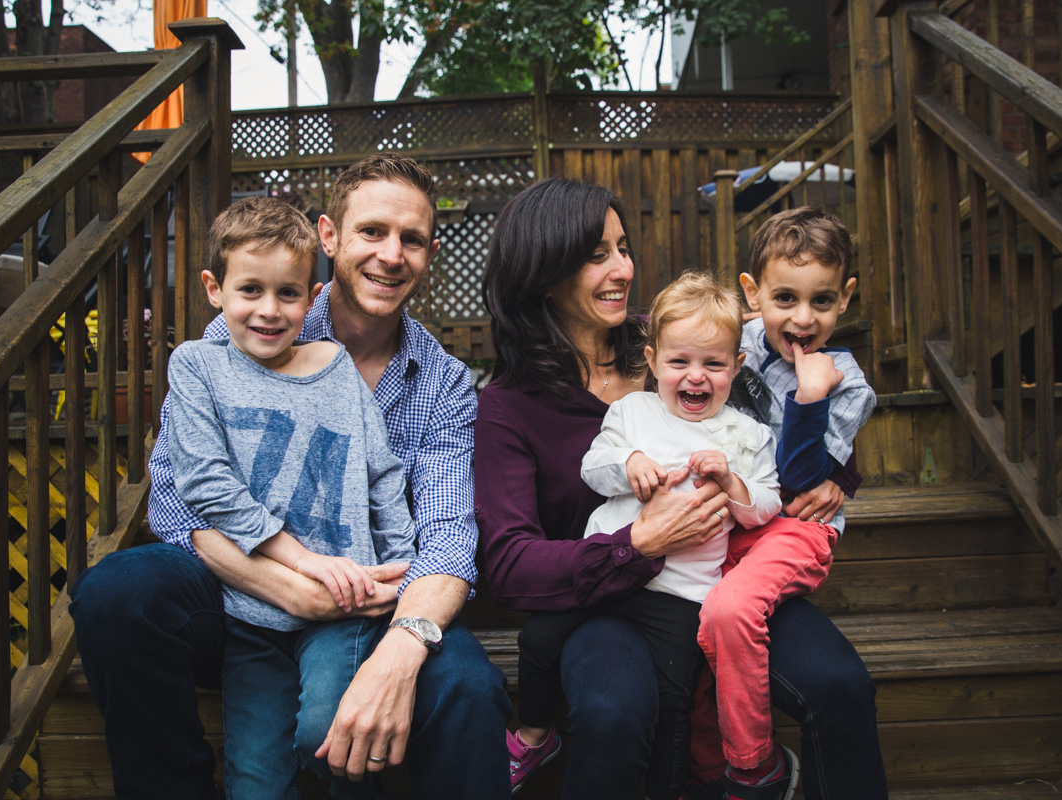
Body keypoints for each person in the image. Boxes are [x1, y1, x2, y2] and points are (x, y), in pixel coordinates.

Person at [69, 154, 512, 800]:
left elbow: (446, 539)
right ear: (329, 237)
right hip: (236, 599)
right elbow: (174, 497)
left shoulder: (440, 383)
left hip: (367, 602)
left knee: (468, 685)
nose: (392, 254)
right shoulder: (252, 325)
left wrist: (397, 648)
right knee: (117, 593)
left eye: (411, 239)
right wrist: (286, 585)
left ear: (430, 252)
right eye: (372, 232)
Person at [476, 178, 887, 800]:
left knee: (838, 684)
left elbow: (791, 364)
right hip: (616, 599)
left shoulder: (682, 337)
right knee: (615, 710)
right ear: (543, 271)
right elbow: (509, 563)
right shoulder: (510, 405)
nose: (622, 268)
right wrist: (634, 545)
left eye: (623, 247)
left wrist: (838, 475)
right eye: (596, 255)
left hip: (733, 571)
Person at [165, 196, 419, 798]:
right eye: (250, 289)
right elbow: (204, 484)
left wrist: (401, 564)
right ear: (214, 288)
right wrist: (305, 562)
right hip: (250, 617)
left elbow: (380, 470)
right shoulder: (198, 367)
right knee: (254, 777)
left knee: (324, 739)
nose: (269, 311)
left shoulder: (334, 366)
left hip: (346, 608)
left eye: (288, 293)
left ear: (314, 296)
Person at [507, 271, 783, 799]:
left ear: (737, 366)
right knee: (537, 639)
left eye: (714, 364)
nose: (695, 377)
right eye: (679, 362)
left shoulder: (747, 436)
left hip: (680, 594)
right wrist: (628, 462)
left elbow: (765, 507)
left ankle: (669, 786)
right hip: (606, 567)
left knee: (674, 695)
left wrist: (732, 482)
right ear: (653, 361)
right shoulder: (632, 412)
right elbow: (594, 466)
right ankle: (534, 734)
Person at [689, 206, 879, 800]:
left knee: (729, 611)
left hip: (791, 527)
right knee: (698, 643)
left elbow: (800, 476)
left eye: (822, 301)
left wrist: (809, 395)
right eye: (785, 299)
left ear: (845, 298)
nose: (803, 319)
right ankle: (703, 771)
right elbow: (675, 335)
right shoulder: (734, 337)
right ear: (752, 294)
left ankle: (754, 768)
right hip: (728, 522)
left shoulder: (845, 383)